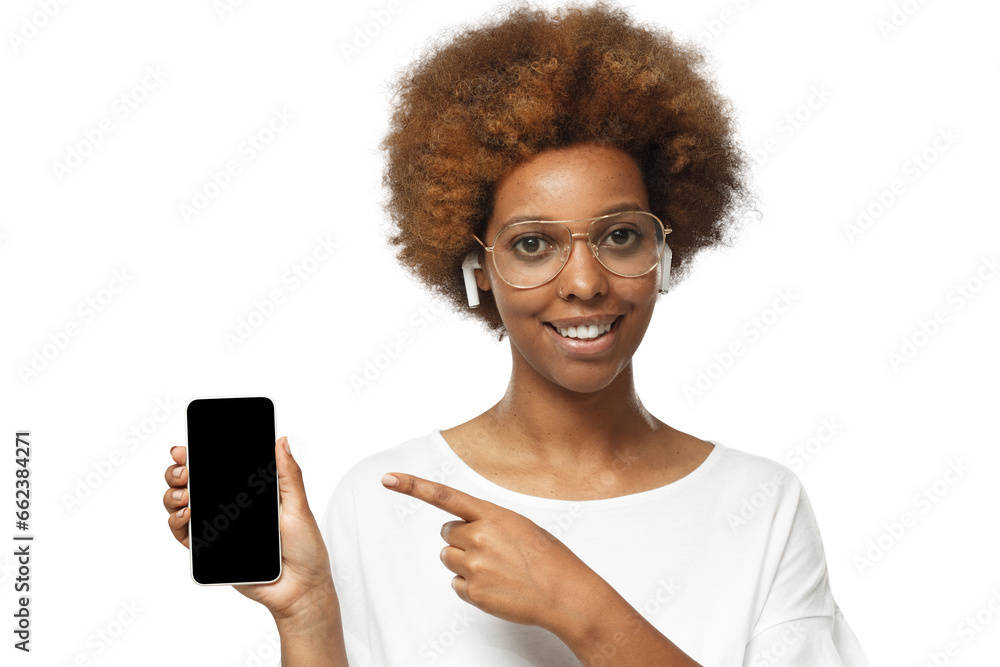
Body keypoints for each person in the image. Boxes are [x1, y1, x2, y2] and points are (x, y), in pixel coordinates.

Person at [164, 3, 870, 665]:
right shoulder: (383, 501)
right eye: (534, 244)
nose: (586, 282)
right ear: (477, 268)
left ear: (664, 252)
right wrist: (308, 611)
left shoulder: (762, 504)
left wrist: (576, 603)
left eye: (621, 235)